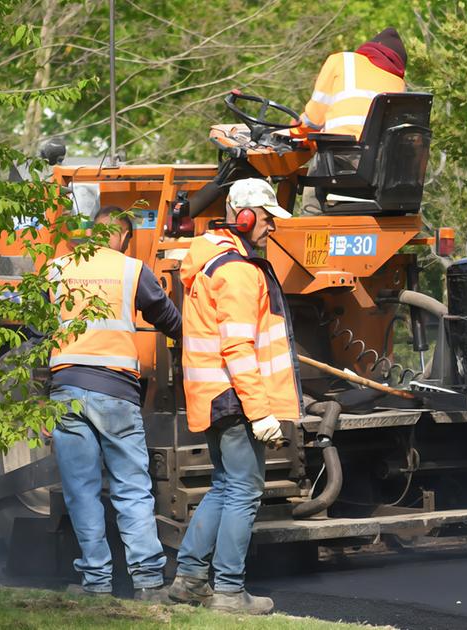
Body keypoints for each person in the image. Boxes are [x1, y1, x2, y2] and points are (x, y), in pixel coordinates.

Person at [168, 178, 303, 614]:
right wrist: (261, 412)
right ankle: (228, 592)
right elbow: (239, 347)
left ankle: (189, 580)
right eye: (267, 220)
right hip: (235, 397)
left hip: (215, 395)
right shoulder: (239, 272)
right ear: (245, 217)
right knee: (245, 489)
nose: (270, 229)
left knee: (225, 486)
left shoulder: (211, 263)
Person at [48, 207, 182, 600]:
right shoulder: (131, 269)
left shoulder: (56, 270)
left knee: (81, 490)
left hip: (67, 391)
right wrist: (192, 339)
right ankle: (148, 583)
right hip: (116, 391)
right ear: (123, 236)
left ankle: (96, 583)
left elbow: (36, 330)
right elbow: (167, 318)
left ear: (89, 233)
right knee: (131, 489)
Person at [292, 27, 408, 214]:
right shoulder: (399, 83)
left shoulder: (341, 61)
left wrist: (294, 128)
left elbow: (314, 118)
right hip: (381, 169)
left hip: (340, 158)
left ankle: (311, 227)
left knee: (311, 195)